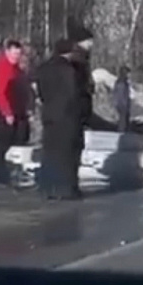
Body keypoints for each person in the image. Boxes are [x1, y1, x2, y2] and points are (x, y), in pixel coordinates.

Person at [35, 39, 86, 200]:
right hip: (67, 117)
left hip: (49, 115)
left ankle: (48, 188)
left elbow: (41, 93)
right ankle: (66, 189)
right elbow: (73, 95)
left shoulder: (43, 69)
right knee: (67, 154)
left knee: (50, 153)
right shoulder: (68, 70)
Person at [0, 39, 25, 186]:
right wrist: (7, 112)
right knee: (3, 141)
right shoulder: (3, 67)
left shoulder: (16, 68)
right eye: (14, 53)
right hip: (5, 110)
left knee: (16, 138)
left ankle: (5, 169)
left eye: (18, 54)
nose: (16, 56)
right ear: (7, 52)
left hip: (16, 109)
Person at [67, 17, 96, 129]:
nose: (91, 44)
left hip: (83, 95)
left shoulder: (83, 56)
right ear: (82, 41)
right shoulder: (77, 57)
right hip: (79, 97)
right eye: (89, 41)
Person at [113, 66, 131, 133]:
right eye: (128, 73)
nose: (129, 75)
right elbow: (121, 95)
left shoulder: (123, 82)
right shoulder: (122, 82)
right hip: (122, 105)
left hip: (122, 104)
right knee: (122, 122)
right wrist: (125, 105)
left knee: (124, 121)